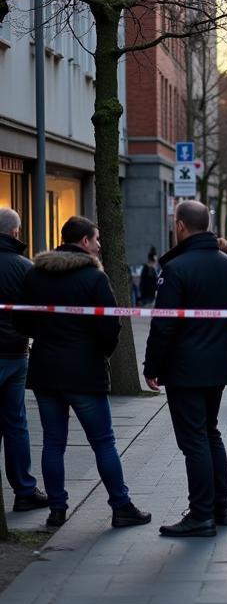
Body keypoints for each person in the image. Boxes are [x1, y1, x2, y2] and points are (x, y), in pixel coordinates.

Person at [15, 216, 150, 530]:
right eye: (97, 240)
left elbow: (21, 321)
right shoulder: (93, 278)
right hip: (85, 371)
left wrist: (43, 339)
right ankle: (121, 506)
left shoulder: (36, 275)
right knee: (103, 442)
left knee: (52, 443)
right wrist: (99, 352)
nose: (100, 245)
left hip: (46, 370)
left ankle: (57, 510)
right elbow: (109, 324)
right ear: (85, 242)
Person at [143, 201, 227, 538]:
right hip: (216, 363)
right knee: (210, 431)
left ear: (181, 225)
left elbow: (164, 325)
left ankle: (201, 514)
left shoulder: (176, 268)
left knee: (193, 440)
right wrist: (222, 346)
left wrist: (153, 365)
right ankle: (221, 506)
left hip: (184, 366)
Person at [0, 209, 44, 513]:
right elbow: (36, 315)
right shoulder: (25, 268)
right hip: (15, 353)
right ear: (16, 233)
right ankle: (24, 490)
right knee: (15, 423)